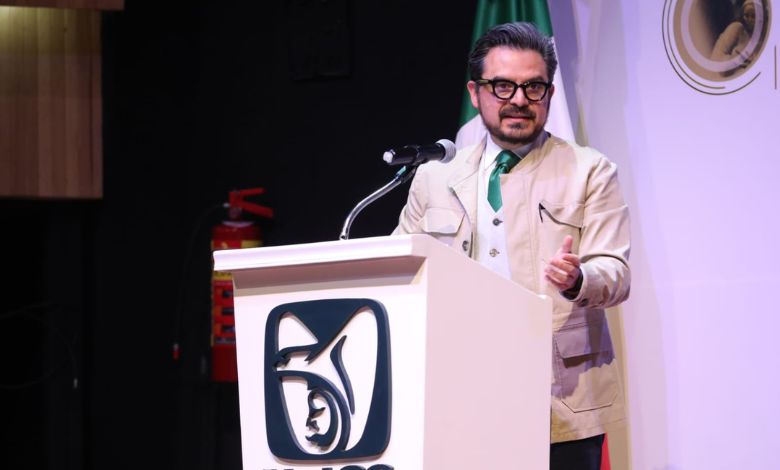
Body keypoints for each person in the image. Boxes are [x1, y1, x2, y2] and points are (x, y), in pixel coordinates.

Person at [393, 22, 630, 470]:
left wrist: (579, 278)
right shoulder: (435, 178)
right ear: (475, 92)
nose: (519, 99)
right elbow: (397, 270)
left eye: (533, 87)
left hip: (561, 397)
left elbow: (615, 271)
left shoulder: (590, 170)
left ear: (549, 94)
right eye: (503, 86)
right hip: (459, 393)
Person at [711, 0, 757, 72]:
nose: (749, 19)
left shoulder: (762, 38)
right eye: (746, 15)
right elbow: (715, 58)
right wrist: (736, 61)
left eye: (753, 16)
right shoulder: (737, 28)